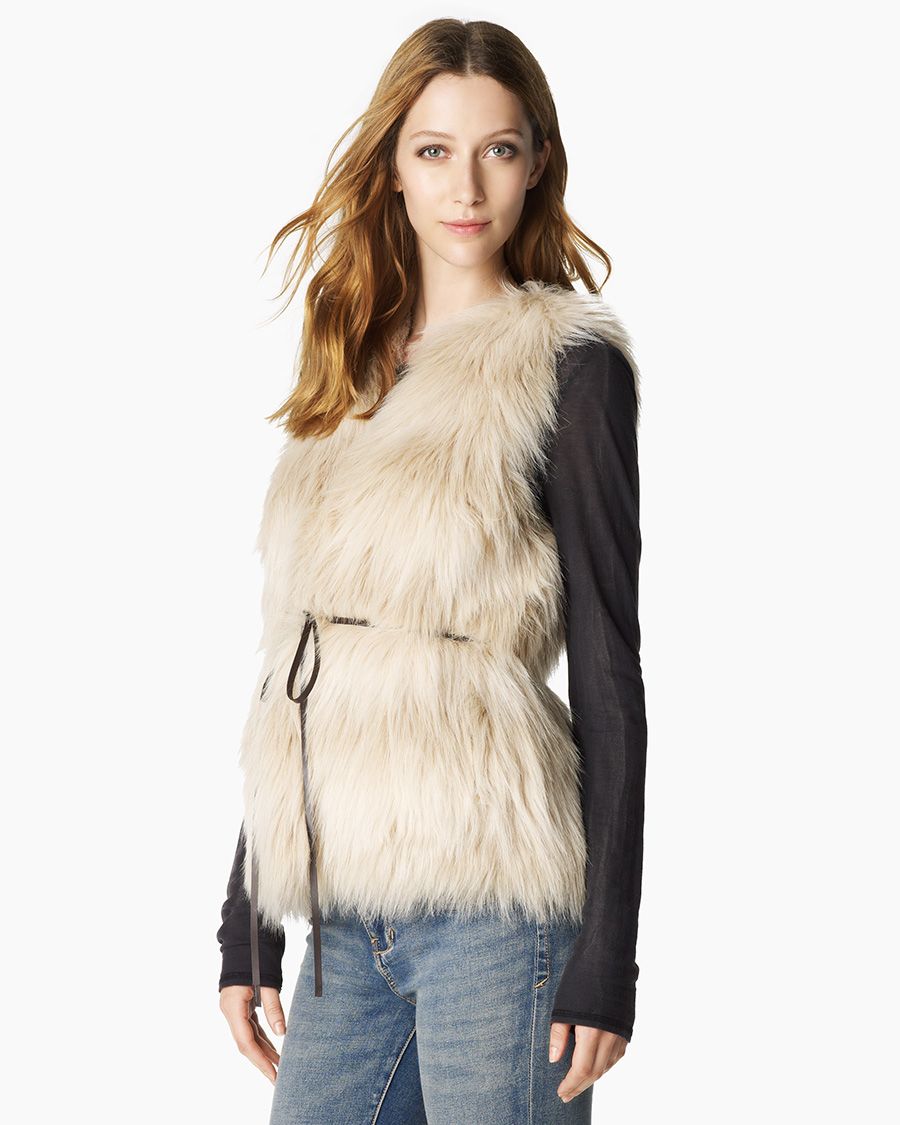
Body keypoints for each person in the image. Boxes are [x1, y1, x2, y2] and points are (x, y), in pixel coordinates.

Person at [217, 17, 648, 1123]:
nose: (466, 186)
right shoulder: (344, 369)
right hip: (343, 911)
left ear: (536, 162)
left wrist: (610, 956)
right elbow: (299, 657)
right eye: (434, 149)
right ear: (394, 167)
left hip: (500, 902)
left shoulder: (569, 365)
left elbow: (608, 671)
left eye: (498, 148)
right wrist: (248, 916)